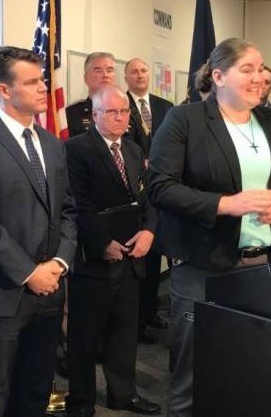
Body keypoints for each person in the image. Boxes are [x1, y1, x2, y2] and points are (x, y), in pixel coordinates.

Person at [147, 38, 271, 417]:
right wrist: (225, 204)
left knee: (256, 366)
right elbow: (160, 187)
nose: (259, 78)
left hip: (266, 265)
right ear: (218, 76)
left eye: (261, 69)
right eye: (247, 70)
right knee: (192, 375)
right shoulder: (184, 120)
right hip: (203, 266)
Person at [0, 46, 78, 417]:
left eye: (42, 79)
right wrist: (29, 272)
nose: (43, 88)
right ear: (4, 90)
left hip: (51, 288)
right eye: (33, 81)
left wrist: (59, 263)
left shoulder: (53, 144)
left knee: (36, 388)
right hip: (1, 292)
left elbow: (69, 210)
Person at [65, 86, 162, 417]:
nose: (120, 117)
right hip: (94, 260)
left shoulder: (134, 150)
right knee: (85, 336)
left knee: (124, 334)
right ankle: (80, 402)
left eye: (124, 112)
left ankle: (124, 395)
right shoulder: (76, 150)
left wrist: (149, 230)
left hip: (132, 258)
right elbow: (78, 205)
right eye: (111, 112)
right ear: (94, 115)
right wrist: (101, 243)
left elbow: (148, 198)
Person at [124, 57, 173, 344]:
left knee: (157, 256)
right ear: (126, 77)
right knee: (141, 258)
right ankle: (138, 320)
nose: (140, 75)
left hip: (164, 189)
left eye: (144, 70)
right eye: (134, 71)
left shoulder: (165, 107)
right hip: (136, 190)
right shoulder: (120, 104)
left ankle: (152, 310)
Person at [66, 52, 117, 137]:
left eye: (109, 70)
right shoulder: (71, 113)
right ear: (86, 78)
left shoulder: (127, 112)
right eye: (98, 71)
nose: (105, 75)